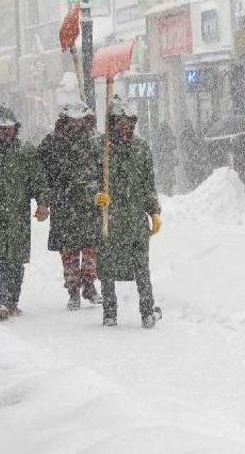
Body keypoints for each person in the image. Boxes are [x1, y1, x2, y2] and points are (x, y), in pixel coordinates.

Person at [0, 106, 50, 321]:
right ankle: (0, 303)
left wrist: (42, 203)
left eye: (9, 128)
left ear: (16, 129)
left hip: (18, 215)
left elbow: (38, 180)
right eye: (1, 128)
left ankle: (13, 301)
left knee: (16, 260)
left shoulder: (26, 152)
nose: (5, 132)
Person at [94, 97, 163, 329]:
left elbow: (148, 184)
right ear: (112, 123)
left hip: (135, 220)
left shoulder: (141, 148)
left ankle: (147, 311)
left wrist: (153, 211)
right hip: (108, 219)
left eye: (129, 123)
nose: (125, 127)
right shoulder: (100, 147)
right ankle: (110, 312)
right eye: (120, 122)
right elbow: (88, 180)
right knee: (107, 267)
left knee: (142, 267)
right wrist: (95, 195)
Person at [38, 102, 103, 310]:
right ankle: (73, 289)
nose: (76, 124)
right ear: (64, 120)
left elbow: (105, 170)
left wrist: (103, 192)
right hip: (64, 203)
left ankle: (90, 284)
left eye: (79, 119)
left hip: (90, 203)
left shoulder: (96, 141)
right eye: (72, 120)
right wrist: (44, 201)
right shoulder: (51, 143)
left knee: (92, 247)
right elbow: (42, 175)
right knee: (69, 251)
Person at [154, 122, 178, 196]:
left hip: (162, 159)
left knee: (164, 176)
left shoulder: (159, 136)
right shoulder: (169, 134)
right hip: (168, 158)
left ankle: (165, 192)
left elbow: (157, 149)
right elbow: (174, 145)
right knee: (169, 177)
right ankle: (169, 192)